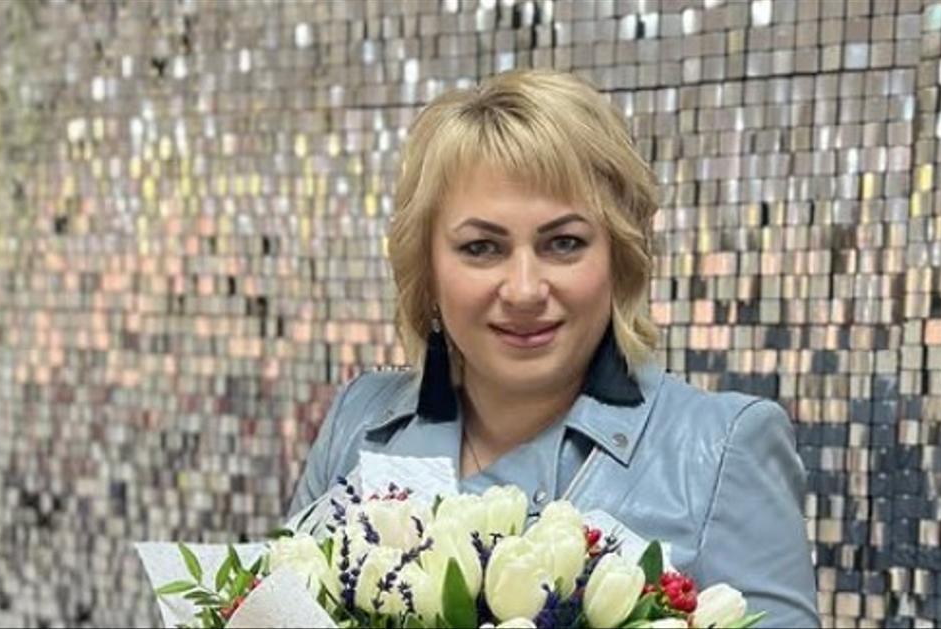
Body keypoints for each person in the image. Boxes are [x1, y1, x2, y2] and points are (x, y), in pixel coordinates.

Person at [289, 69, 819, 627]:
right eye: (481, 247)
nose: (524, 290)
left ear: (619, 256)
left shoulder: (723, 447)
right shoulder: (360, 420)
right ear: (428, 268)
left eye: (563, 243)